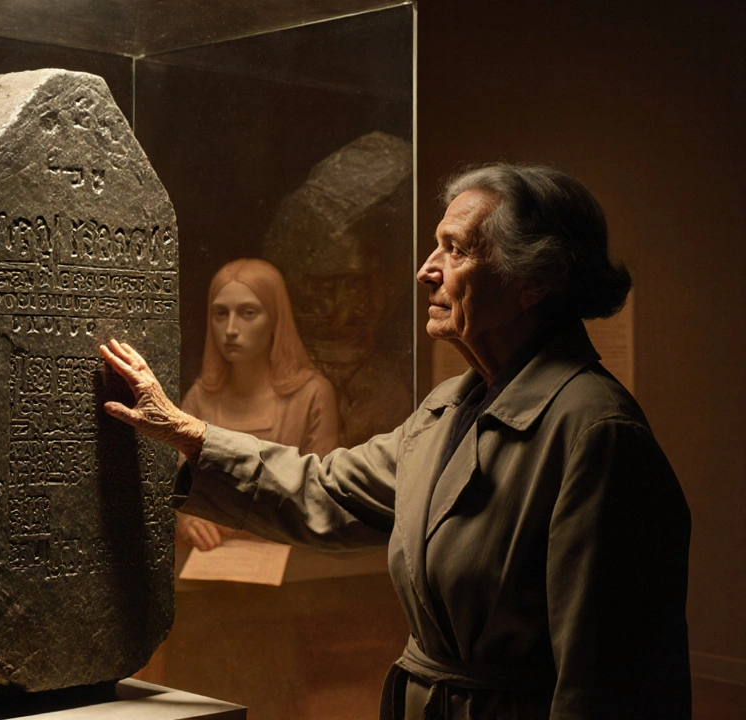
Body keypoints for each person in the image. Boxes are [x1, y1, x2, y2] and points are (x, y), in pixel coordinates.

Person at [101, 164, 691, 719]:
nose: (426, 269)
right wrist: (186, 433)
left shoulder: (597, 435)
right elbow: (326, 492)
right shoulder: (448, 409)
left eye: (456, 250)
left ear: (532, 281)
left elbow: (612, 684)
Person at [177, 258, 339, 551]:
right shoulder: (200, 397)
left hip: (294, 563)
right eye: (220, 313)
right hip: (211, 559)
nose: (230, 329)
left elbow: (322, 497)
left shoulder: (312, 395)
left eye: (248, 313)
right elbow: (176, 489)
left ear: (275, 319)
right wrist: (188, 520)